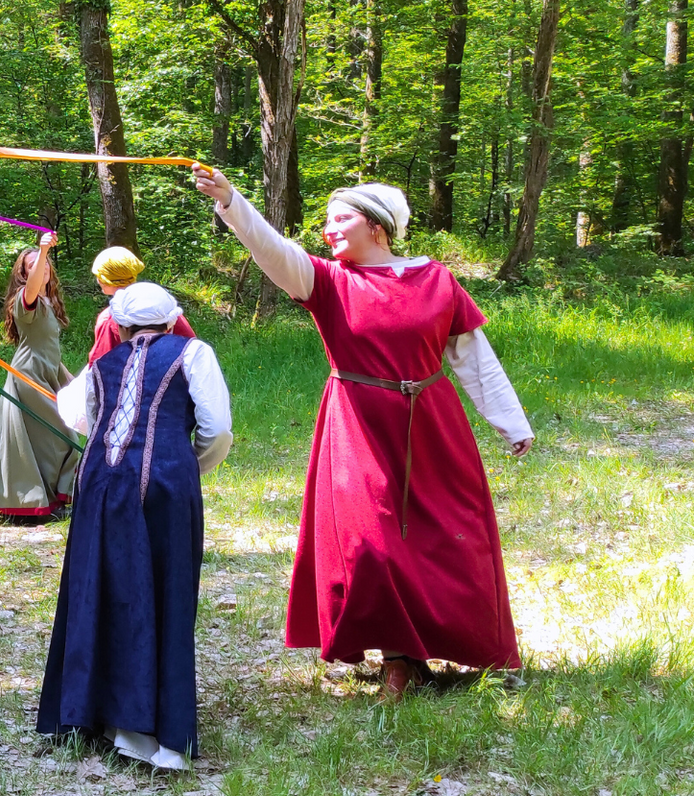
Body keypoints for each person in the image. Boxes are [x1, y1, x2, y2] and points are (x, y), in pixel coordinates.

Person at [193, 165, 532, 701]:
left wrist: (511, 422)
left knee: (447, 535)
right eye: (327, 219)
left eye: (341, 217)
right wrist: (232, 201)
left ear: (378, 227)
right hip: (357, 421)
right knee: (369, 541)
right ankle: (398, 658)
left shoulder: (437, 280)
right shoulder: (328, 280)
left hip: (432, 424)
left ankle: (449, 647)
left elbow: (472, 358)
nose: (329, 228)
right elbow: (272, 249)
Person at [38, 284, 232, 770]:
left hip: (100, 485)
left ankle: (98, 716)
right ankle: (148, 732)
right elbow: (218, 429)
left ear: (121, 327)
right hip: (165, 485)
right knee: (161, 593)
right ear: (171, 322)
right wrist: (187, 463)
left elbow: (74, 414)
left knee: (100, 590)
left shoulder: (103, 364)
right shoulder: (194, 353)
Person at [0, 232, 84, 525]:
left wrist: (70, 379)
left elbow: (49, 348)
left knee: (46, 440)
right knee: (65, 437)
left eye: (46, 262)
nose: (43, 265)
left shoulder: (49, 302)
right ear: (24, 275)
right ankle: (41, 501)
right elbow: (35, 285)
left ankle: (48, 501)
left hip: (46, 373)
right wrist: (43, 249)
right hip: (28, 376)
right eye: (34, 264)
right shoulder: (26, 299)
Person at [86, 246, 197, 364]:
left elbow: (99, 366)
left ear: (103, 280)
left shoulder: (109, 318)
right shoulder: (164, 308)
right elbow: (191, 350)